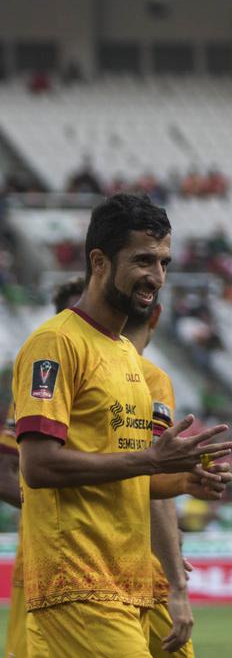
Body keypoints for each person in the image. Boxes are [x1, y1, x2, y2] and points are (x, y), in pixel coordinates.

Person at [12, 194, 232, 657]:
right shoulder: (55, 343)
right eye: (142, 260)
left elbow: (130, 473)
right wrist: (151, 459)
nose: (157, 276)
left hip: (126, 584)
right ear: (99, 261)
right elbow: (37, 466)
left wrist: (184, 478)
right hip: (76, 582)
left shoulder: (123, 355)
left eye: (164, 262)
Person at [124, 302, 232, 658]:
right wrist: (177, 583)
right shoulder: (148, 377)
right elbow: (147, 472)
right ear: (155, 316)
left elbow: (144, 475)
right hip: (121, 564)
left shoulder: (60, 362)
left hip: (115, 560)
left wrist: (183, 481)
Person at [3, 276, 85, 658]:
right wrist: (62, 504)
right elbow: (6, 474)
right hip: (47, 552)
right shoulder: (41, 375)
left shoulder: (136, 377)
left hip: (121, 550)